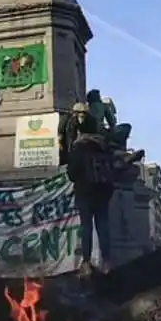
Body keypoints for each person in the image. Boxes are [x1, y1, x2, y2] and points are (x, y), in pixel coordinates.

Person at [65, 112, 114, 278]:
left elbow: (72, 172)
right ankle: (107, 261)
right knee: (103, 226)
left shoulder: (79, 147)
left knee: (86, 227)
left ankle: (86, 262)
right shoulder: (103, 145)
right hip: (103, 191)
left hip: (85, 191)